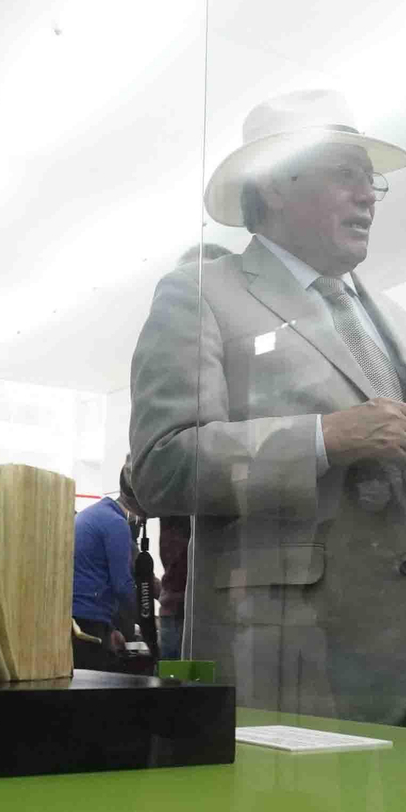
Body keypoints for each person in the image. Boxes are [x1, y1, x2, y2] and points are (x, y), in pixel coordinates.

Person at [129, 89, 406, 729]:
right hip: (301, 669)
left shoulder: (399, 321)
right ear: (270, 187)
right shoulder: (200, 294)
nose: (367, 195)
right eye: (343, 175)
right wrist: (327, 438)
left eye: (369, 179)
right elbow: (163, 465)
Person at [154, 242, 234, 662]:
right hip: (181, 599)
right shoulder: (165, 394)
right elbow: (140, 491)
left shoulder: (253, 380)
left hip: (246, 597)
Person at [71, 465, 143, 673]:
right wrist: (146, 626)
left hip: (77, 622)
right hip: (89, 624)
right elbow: (123, 586)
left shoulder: (94, 513)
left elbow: (91, 575)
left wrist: (110, 628)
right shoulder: (116, 523)